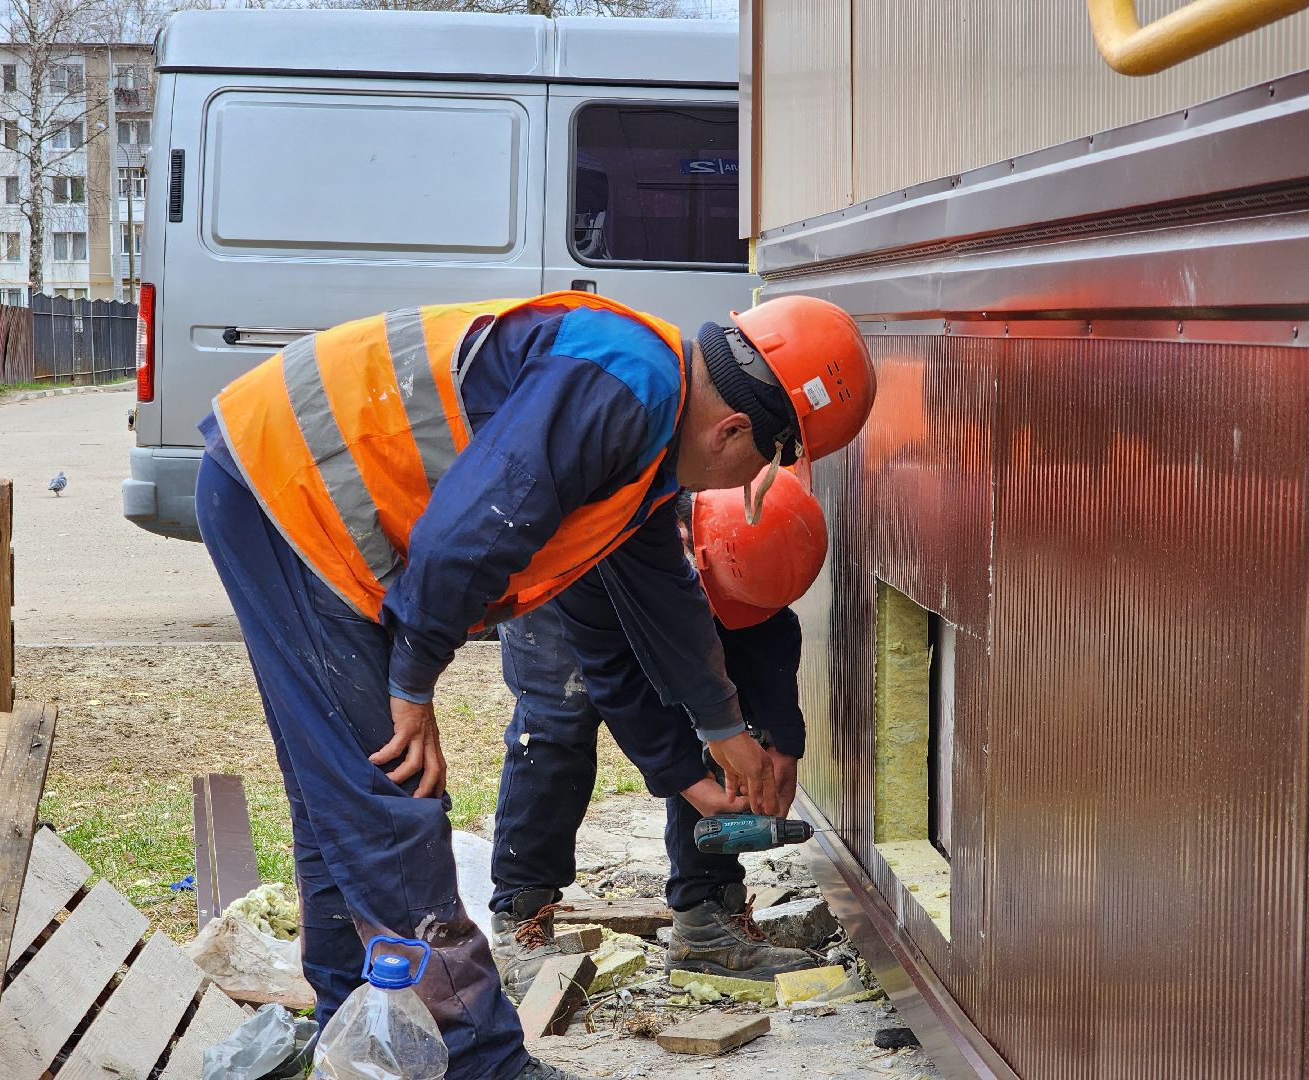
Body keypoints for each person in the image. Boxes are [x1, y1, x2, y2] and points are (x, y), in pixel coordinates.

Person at [194, 290, 874, 1080]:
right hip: (290, 487)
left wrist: (723, 730)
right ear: (733, 431)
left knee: (342, 790)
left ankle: (357, 1024)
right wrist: (414, 680)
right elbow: (469, 534)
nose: (756, 480)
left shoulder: (647, 423)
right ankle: (483, 1063)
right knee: (387, 793)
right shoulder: (620, 391)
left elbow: (665, 593)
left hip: (295, 486)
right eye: (768, 461)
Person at [488, 463, 841, 998]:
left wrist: (778, 738)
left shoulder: (742, 523)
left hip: (671, 572)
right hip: (566, 578)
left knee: (723, 723)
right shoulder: (613, 520)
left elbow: (766, 625)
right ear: (684, 544)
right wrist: (682, 776)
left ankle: (706, 919)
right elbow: (616, 678)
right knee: (559, 720)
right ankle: (521, 917)